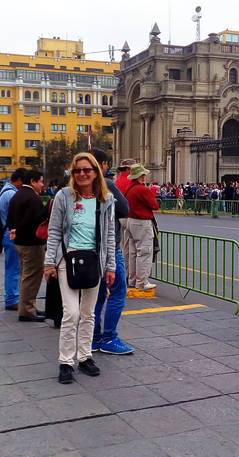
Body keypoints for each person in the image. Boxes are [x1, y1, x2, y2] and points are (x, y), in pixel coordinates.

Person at [44, 152, 116, 384]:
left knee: (88, 313)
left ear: (96, 172)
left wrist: (111, 266)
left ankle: (85, 357)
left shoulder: (106, 200)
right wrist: (49, 263)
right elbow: (54, 231)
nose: (82, 174)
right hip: (68, 260)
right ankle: (66, 362)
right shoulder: (64, 196)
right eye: (77, 170)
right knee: (71, 313)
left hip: (95, 261)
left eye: (87, 169)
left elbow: (109, 236)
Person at [90, 148, 132, 355]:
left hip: (88, 248)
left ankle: (94, 338)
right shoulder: (106, 184)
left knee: (96, 296)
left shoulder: (76, 186)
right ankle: (109, 337)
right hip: (108, 247)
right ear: (103, 164)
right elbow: (124, 209)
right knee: (117, 291)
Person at [7, 169, 47, 322]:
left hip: (20, 243)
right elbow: (32, 220)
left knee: (25, 276)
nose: (42, 185)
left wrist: (14, 230)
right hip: (31, 243)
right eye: (40, 182)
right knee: (31, 278)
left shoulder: (16, 195)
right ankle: (27, 310)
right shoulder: (32, 198)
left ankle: (29, 306)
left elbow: (10, 217)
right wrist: (20, 231)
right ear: (32, 181)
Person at [123, 163, 159, 290]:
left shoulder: (129, 188)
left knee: (133, 252)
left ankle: (133, 279)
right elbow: (155, 205)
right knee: (144, 251)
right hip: (142, 222)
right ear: (140, 175)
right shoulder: (142, 189)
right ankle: (142, 282)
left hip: (131, 220)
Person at [0, 168, 26, 310]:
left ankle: (13, 297)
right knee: (13, 269)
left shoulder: (7, 191)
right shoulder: (11, 194)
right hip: (11, 235)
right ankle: (11, 299)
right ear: (20, 180)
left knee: (13, 268)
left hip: (7, 234)